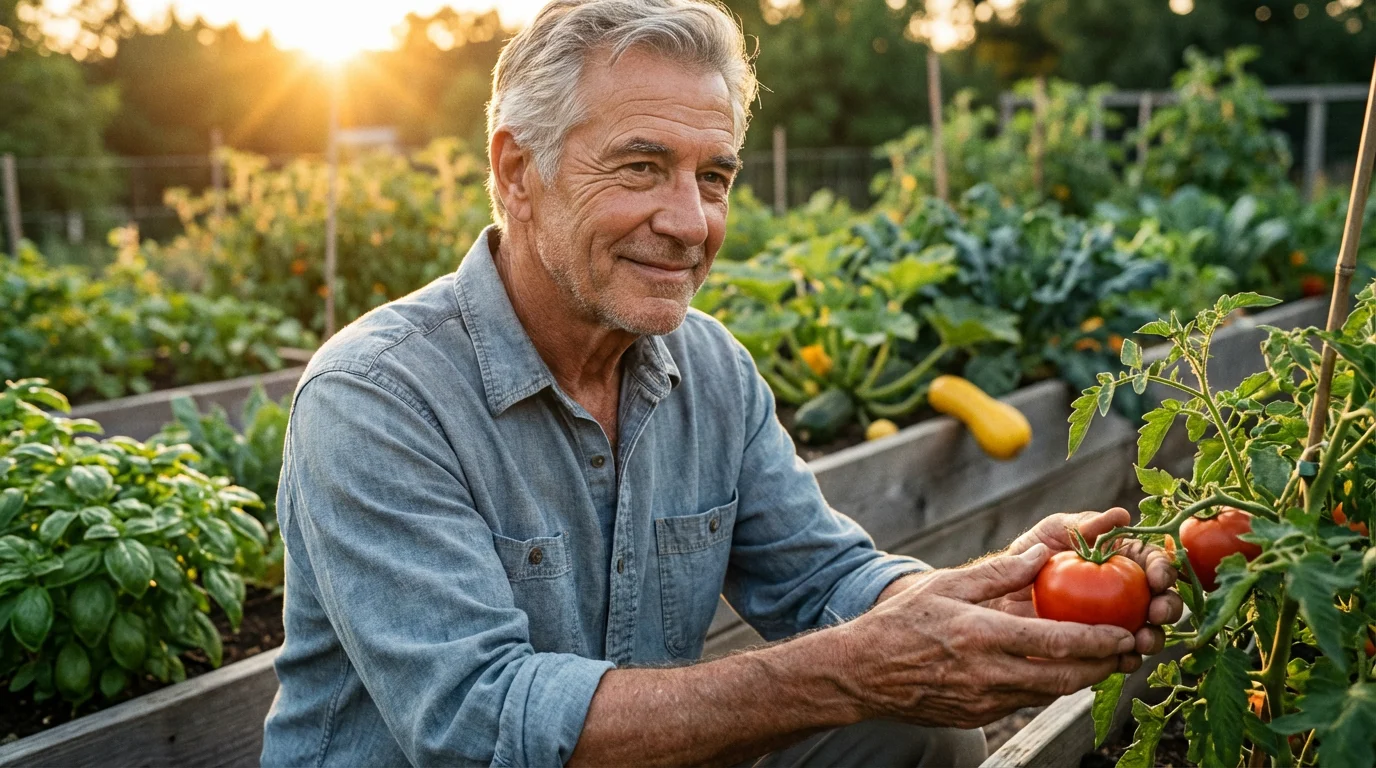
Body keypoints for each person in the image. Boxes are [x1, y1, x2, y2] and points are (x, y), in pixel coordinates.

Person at [259, 0, 1182, 765]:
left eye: (715, 176)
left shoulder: (708, 369)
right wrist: (855, 667)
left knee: (914, 736)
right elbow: (475, 718)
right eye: (641, 167)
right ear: (517, 172)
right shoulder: (377, 397)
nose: (690, 222)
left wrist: (992, 594)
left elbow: (827, 576)